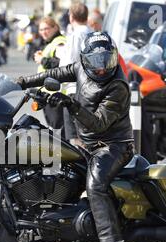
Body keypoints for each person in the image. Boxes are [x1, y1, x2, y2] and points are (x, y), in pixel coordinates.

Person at [17, 32, 135, 242]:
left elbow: (100, 123)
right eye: (96, 62)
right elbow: (54, 74)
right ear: (85, 59)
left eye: (106, 61)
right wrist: (22, 82)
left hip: (113, 146)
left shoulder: (117, 87)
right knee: (67, 176)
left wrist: (71, 104)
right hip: (89, 144)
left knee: (95, 185)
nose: (102, 69)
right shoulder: (82, 67)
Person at [59, 3, 93, 147]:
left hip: (75, 91)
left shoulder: (76, 35)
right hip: (91, 89)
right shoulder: (93, 33)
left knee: (76, 140)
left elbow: (70, 64)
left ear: (71, 17)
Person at [34, 17, 66, 133]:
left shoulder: (60, 42)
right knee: (53, 130)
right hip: (48, 93)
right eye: (41, 29)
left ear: (55, 27)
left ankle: (59, 152)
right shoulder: (51, 43)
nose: (43, 32)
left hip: (55, 94)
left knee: (57, 131)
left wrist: (43, 60)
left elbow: (62, 64)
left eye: (46, 28)